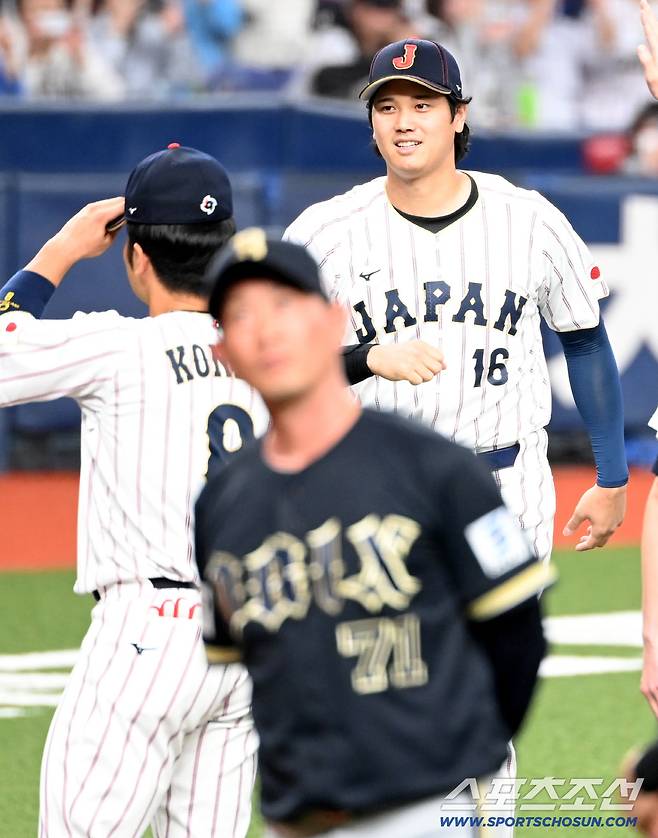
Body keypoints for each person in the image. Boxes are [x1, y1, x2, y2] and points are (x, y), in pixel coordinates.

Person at [195, 228, 552, 838]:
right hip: (296, 815)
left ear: (335, 324)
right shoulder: (223, 503)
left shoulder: (434, 466)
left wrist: (462, 767)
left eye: (285, 305)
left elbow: (517, 636)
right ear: (225, 353)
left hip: (422, 808)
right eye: (240, 315)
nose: (265, 328)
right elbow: (254, 664)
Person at [0, 145, 267, 837]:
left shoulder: (116, 348)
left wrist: (56, 251)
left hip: (148, 637)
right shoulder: (271, 354)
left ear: (136, 258)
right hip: (245, 642)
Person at [284, 37, 628, 568]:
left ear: (458, 116)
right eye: (387, 107)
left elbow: (584, 339)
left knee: (505, 650)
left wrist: (611, 476)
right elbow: (276, 362)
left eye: (422, 105)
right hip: (376, 488)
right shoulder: (323, 232)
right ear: (372, 123)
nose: (403, 122)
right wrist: (365, 358)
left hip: (505, 485)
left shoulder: (529, 220)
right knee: (387, 649)